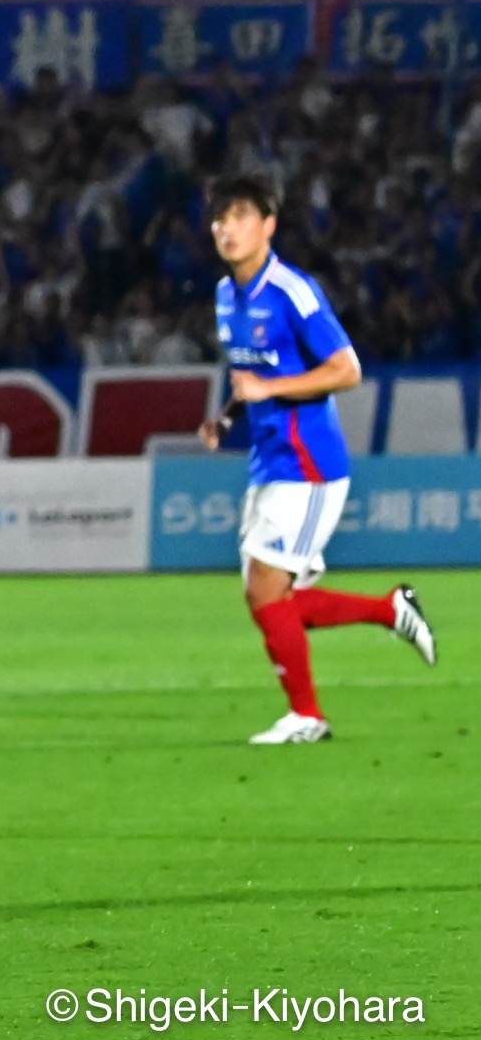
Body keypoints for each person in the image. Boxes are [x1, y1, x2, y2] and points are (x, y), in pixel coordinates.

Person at [196, 175, 436, 745]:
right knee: (271, 597)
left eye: (240, 216)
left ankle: (307, 716)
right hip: (269, 459)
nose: (227, 229)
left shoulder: (293, 292)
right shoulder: (227, 295)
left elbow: (346, 370)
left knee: (264, 590)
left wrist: (268, 391)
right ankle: (390, 611)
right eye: (220, 219)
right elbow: (253, 371)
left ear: (268, 225)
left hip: (308, 464)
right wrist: (227, 417)